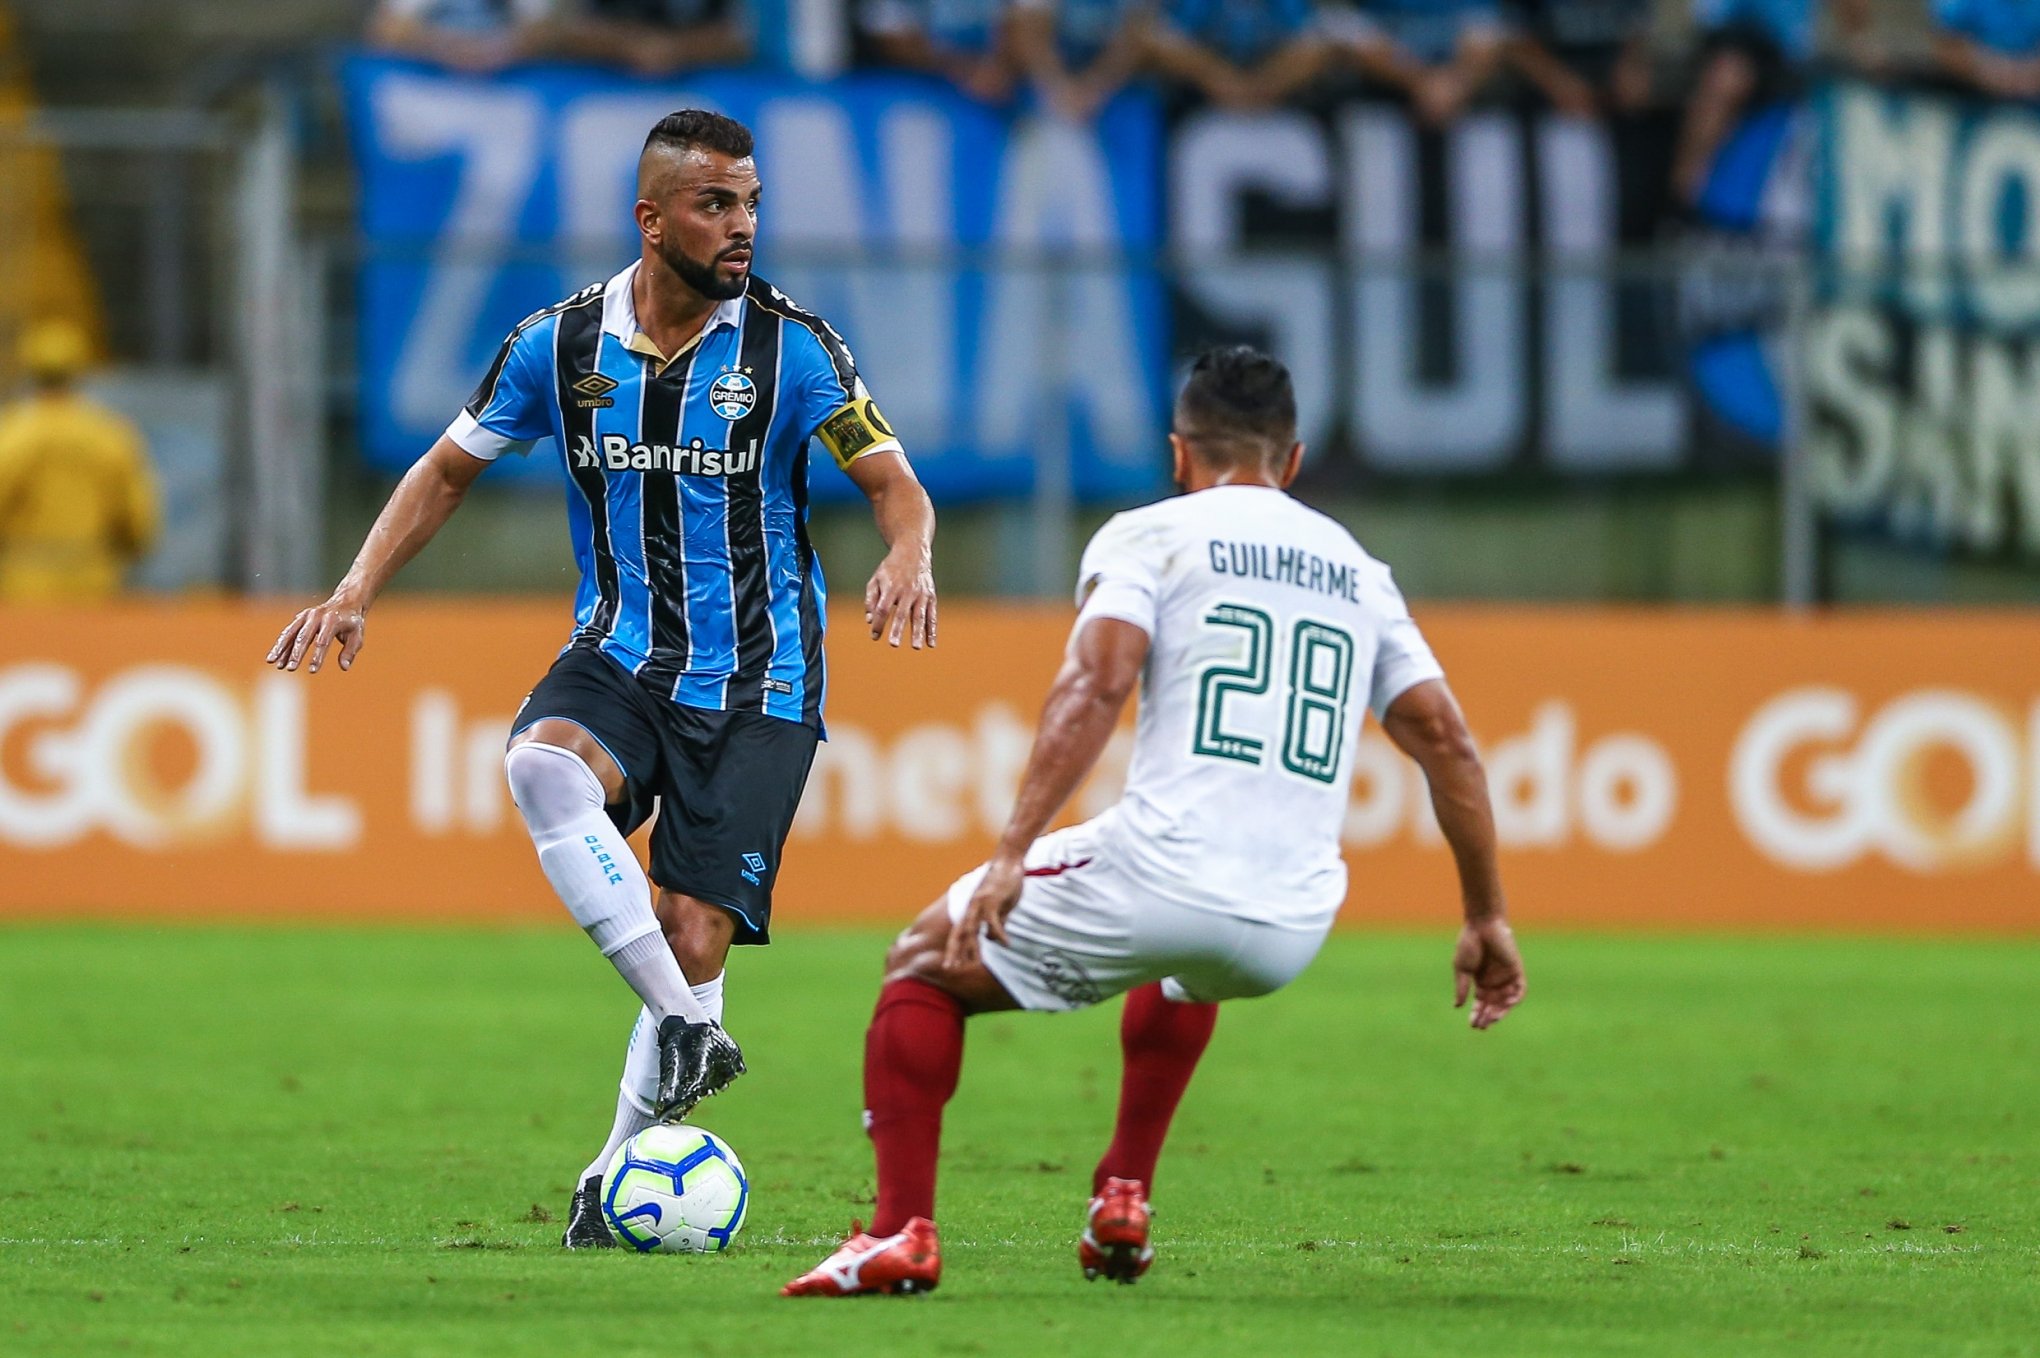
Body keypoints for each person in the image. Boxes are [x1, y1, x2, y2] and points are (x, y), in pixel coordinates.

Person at [266, 110, 938, 1249]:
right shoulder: (559, 344)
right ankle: (687, 1027)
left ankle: (609, 1170)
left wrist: (910, 554)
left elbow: (893, 483)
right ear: (652, 218)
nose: (742, 225)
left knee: (691, 933)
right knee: (540, 765)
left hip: (762, 682)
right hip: (621, 651)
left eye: (752, 203)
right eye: (716, 204)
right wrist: (354, 588)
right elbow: (444, 471)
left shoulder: (794, 348)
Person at [782, 346, 1525, 1298]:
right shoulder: (1357, 570)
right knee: (1183, 962)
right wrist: (1485, 915)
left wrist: (1012, 854)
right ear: (1293, 460)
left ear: (1180, 453)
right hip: (1295, 919)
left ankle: (898, 1234)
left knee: (924, 962)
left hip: (1166, 875)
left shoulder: (1151, 535)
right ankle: (1122, 1193)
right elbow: (1449, 743)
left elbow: (1097, 683)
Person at [0, 320, 157, 603]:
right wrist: (131, 549)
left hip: (24, 580)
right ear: (79, 371)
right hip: (94, 577)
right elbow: (137, 517)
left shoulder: (11, 434)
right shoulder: (110, 435)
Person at [1673, 0, 1871, 207]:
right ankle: (1683, 194)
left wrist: (1859, 41)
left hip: (1784, 52)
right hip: (1731, 36)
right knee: (1726, 76)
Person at [1337, 0, 1506, 126]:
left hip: (1461, 89)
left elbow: (1486, 35)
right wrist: (1419, 83)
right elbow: (1361, 35)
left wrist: (1455, 84)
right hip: (1391, 88)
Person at [1147, 0, 1331, 110]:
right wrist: (1217, 79)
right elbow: (1164, 41)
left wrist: (1267, 84)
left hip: (1277, 103)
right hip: (1203, 103)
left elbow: (1314, 43)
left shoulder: (1286, 4)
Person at [1505, 0, 1656, 119]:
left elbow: (1637, 34)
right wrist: (1554, 80)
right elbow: (1508, 35)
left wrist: (1632, 63)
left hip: (1610, 100)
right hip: (1540, 103)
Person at [1012, 0, 1155, 122]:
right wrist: (1058, 88)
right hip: (1047, 82)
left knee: (1137, 112)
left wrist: (1094, 89)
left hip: (1114, 86)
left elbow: (1136, 36)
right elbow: (1028, 30)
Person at [859, 0, 1020, 104]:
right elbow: (893, 41)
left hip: (1010, 82)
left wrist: (1002, 67)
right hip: (926, 88)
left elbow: (1026, 26)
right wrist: (964, 70)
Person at [551, 0, 751, 77]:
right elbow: (563, 28)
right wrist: (627, 45)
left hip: (698, 92)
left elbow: (741, 36)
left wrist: (678, 49)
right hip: (605, 91)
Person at [366, 0, 557, 73]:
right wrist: (444, 47)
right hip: (429, 86)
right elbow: (386, 29)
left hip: (506, 92)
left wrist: (496, 51)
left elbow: (547, 30)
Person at [1932, 0, 2040, 98]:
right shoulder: (1960, 5)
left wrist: (2025, 76)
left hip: (2031, 99)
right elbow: (1943, 45)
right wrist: (1984, 69)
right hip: (1972, 94)